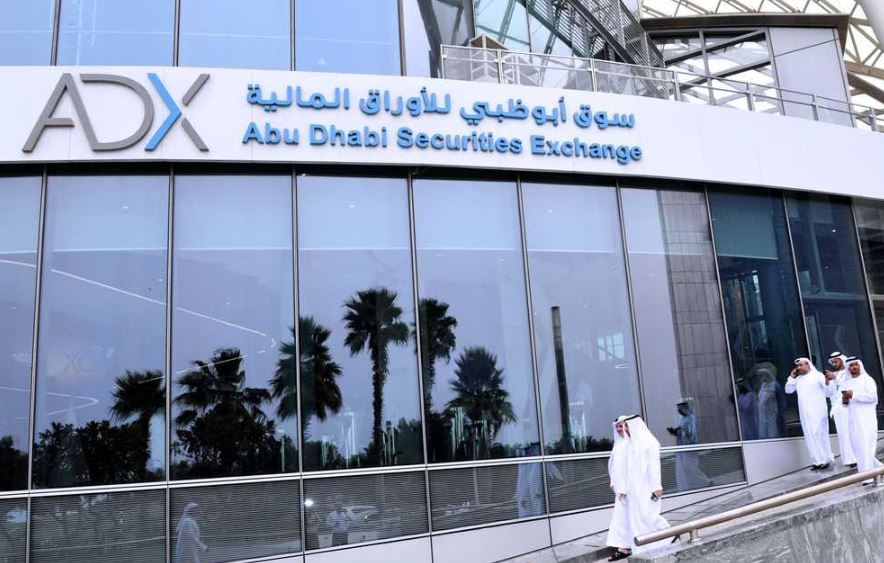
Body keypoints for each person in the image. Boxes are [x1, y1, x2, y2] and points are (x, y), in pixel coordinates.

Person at [606, 415, 670, 560]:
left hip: (646, 488)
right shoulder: (630, 445)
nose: (625, 429)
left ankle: (669, 536)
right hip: (632, 490)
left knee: (649, 517)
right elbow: (619, 468)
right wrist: (619, 487)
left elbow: (654, 467)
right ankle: (637, 548)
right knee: (636, 520)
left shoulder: (650, 443)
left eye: (626, 426)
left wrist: (656, 487)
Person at [785, 357, 835, 470]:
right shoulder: (798, 379)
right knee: (810, 435)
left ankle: (826, 459)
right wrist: (791, 377)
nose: (799, 368)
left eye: (801, 365)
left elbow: (829, 392)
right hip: (805, 413)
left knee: (819, 434)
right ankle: (817, 461)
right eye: (797, 366)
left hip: (818, 411)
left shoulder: (818, 376)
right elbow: (788, 390)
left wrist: (828, 381)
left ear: (808, 364)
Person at [840, 357, 882, 483]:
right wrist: (845, 400)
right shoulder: (846, 383)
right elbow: (844, 404)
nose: (853, 367)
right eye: (851, 365)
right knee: (858, 449)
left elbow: (873, 398)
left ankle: (867, 478)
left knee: (866, 448)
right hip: (853, 420)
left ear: (859, 366)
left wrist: (854, 395)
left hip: (866, 420)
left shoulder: (867, 380)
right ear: (848, 368)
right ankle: (877, 471)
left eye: (855, 365)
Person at [825, 351, 856, 468]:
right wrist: (827, 382)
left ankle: (855, 458)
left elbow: (847, 386)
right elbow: (828, 394)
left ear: (842, 360)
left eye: (836, 361)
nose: (834, 364)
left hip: (847, 407)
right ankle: (848, 459)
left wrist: (835, 378)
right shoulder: (833, 374)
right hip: (837, 408)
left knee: (850, 432)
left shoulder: (849, 372)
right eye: (832, 362)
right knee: (842, 434)